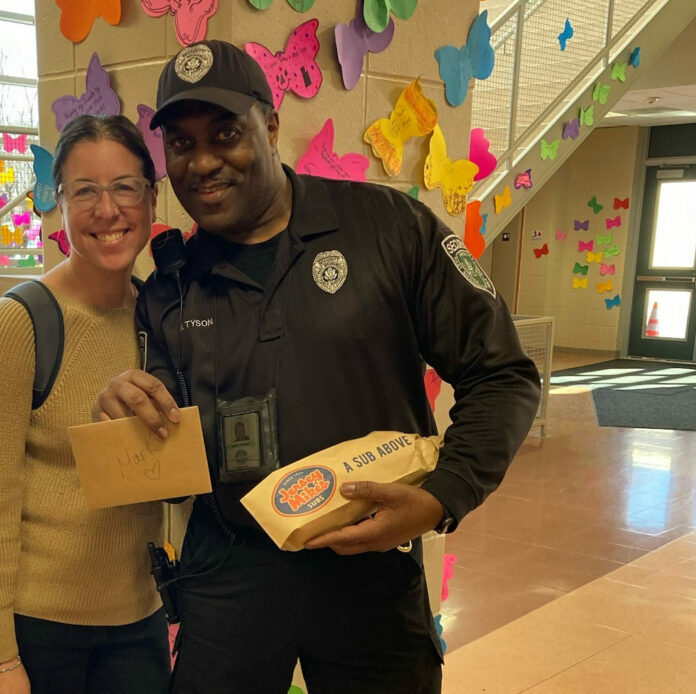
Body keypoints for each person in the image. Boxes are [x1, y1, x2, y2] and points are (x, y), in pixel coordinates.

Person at [93, 40, 541, 694]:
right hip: (228, 578)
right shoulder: (170, 287)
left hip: (369, 571)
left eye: (226, 133)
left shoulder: (388, 229)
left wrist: (443, 495)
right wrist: (125, 411)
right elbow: (169, 464)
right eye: (182, 145)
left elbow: (503, 373)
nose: (205, 161)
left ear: (271, 128)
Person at [0, 114, 169, 694]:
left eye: (124, 187)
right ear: (58, 206)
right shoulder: (18, 325)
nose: (107, 210)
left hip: (138, 623)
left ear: (151, 197)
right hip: (35, 631)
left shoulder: (158, 321)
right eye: (83, 191)